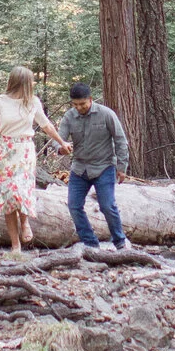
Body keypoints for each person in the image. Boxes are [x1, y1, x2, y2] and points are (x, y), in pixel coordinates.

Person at [0, 66, 69, 254]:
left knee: (21, 190)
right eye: (29, 82)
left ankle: (25, 221)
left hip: (24, 150)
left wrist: (62, 142)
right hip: (5, 150)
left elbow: (46, 126)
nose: (31, 85)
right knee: (7, 196)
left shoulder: (33, 102)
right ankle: (15, 245)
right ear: (19, 82)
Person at [58, 81, 131, 251]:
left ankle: (120, 241)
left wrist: (122, 167)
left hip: (104, 167)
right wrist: (61, 148)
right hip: (79, 168)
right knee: (74, 206)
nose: (79, 107)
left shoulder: (106, 114)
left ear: (90, 99)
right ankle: (90, 243)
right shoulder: (69, 117)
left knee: (107, 205)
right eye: (75, 104)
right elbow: (59, 140)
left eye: (82, 104)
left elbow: (120, 140)